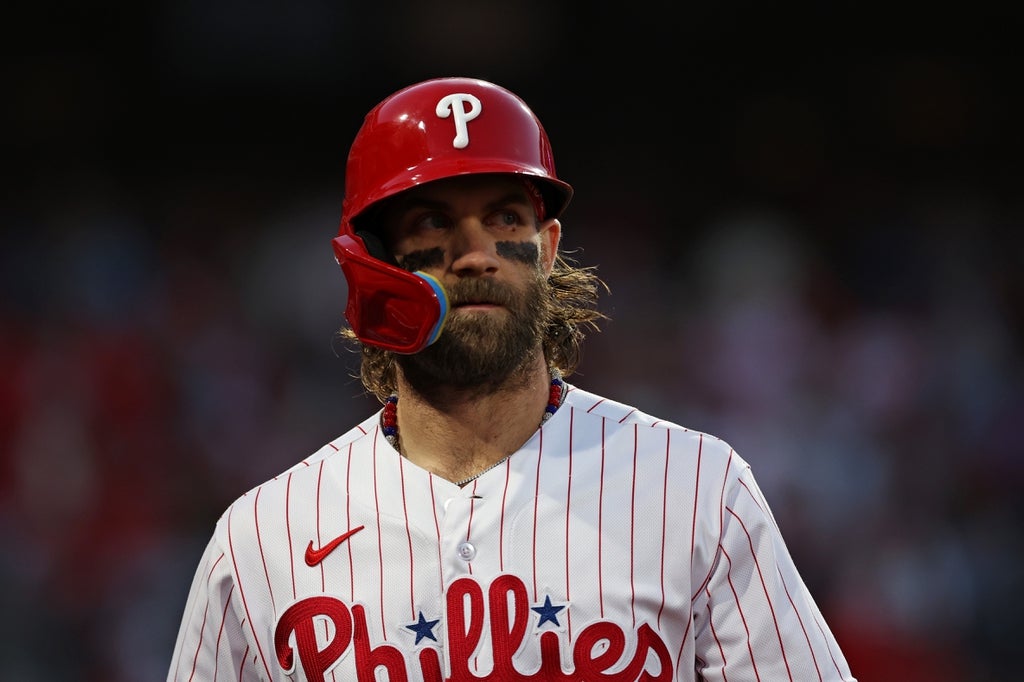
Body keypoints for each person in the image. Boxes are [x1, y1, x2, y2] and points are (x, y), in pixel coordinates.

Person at [167, 76, 857, 682]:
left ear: (548, 248)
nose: (475, 256)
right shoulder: (264, 536)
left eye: (503, 217)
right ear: (371, 265)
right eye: (433, 220)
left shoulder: (695, 487)